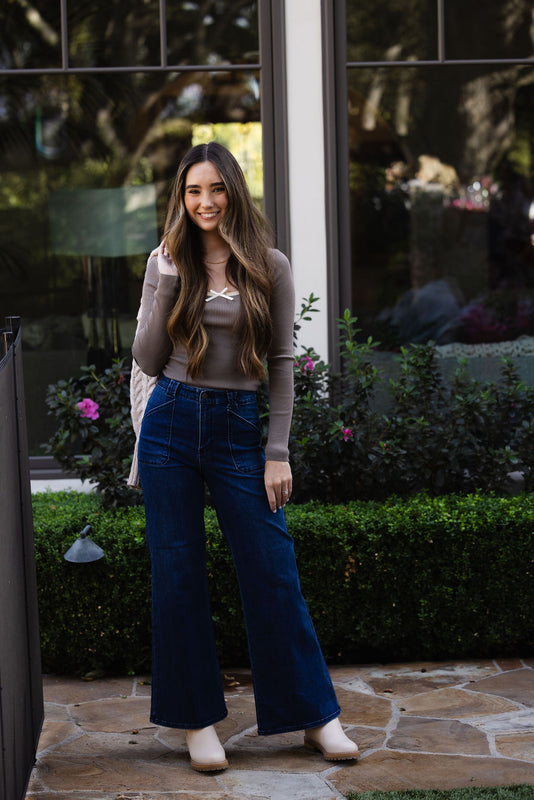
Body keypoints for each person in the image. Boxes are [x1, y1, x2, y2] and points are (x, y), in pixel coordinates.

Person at [132, 141, 359, 772]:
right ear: (182, 197)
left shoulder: (270, 264)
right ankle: (197, 720)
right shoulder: (165, 261)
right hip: (170, 422)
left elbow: (282, 364)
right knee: (177, 573)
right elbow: (148, 359)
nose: (205, 202)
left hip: (237, 429)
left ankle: (316, 717)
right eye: (192, 191)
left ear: (234, 190)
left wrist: (277, 453)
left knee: (271, 567)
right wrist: (169, 280)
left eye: (216, 189)